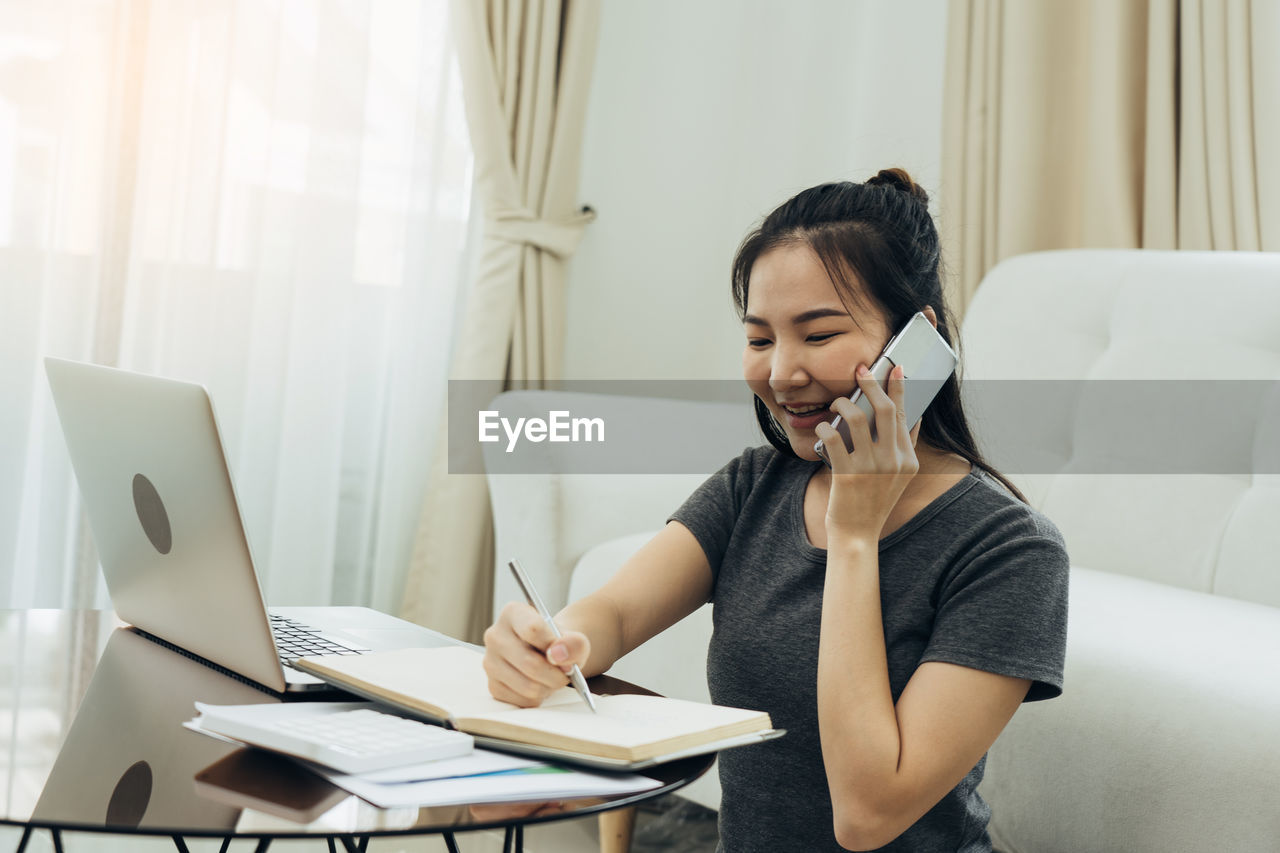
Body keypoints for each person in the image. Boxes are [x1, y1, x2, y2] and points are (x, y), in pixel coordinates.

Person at [482, 170, 1070, 852]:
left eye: (817, 336)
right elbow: (611, 614)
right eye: (760, 339)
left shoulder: (1011, 550)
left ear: (918, 344)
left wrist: (855, 536)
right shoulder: (754, 487)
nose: (782, 372)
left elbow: (867, 815)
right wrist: (551, 644)